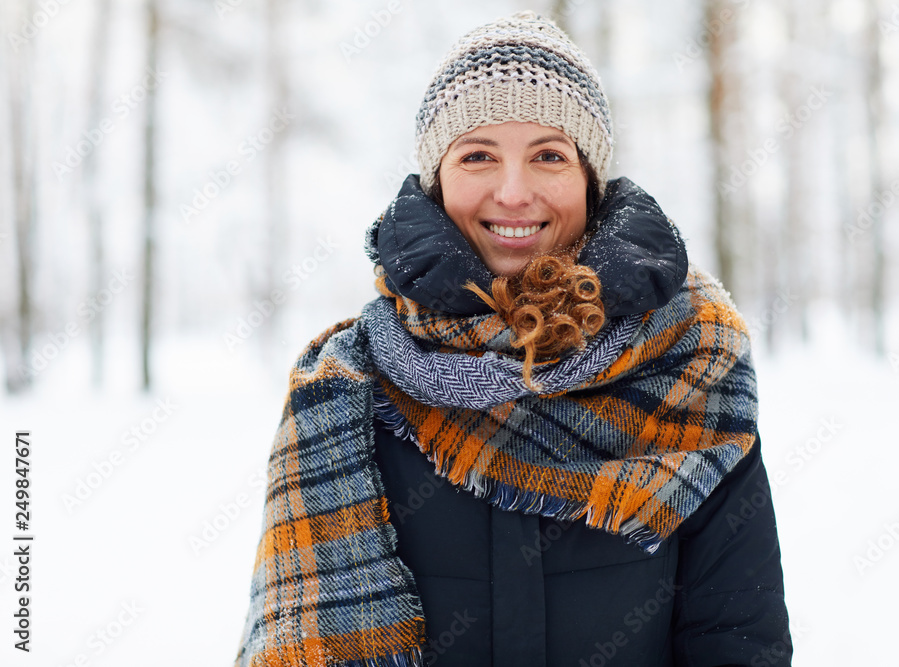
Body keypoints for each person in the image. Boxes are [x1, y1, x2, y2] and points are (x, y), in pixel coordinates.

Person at [234, 11, 791, 667]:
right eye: (478, 156)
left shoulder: (692, 363)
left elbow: (737, 640)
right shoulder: (350, 390)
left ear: (589, 178)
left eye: (549, 155)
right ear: (437, 180)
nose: (514, 191)